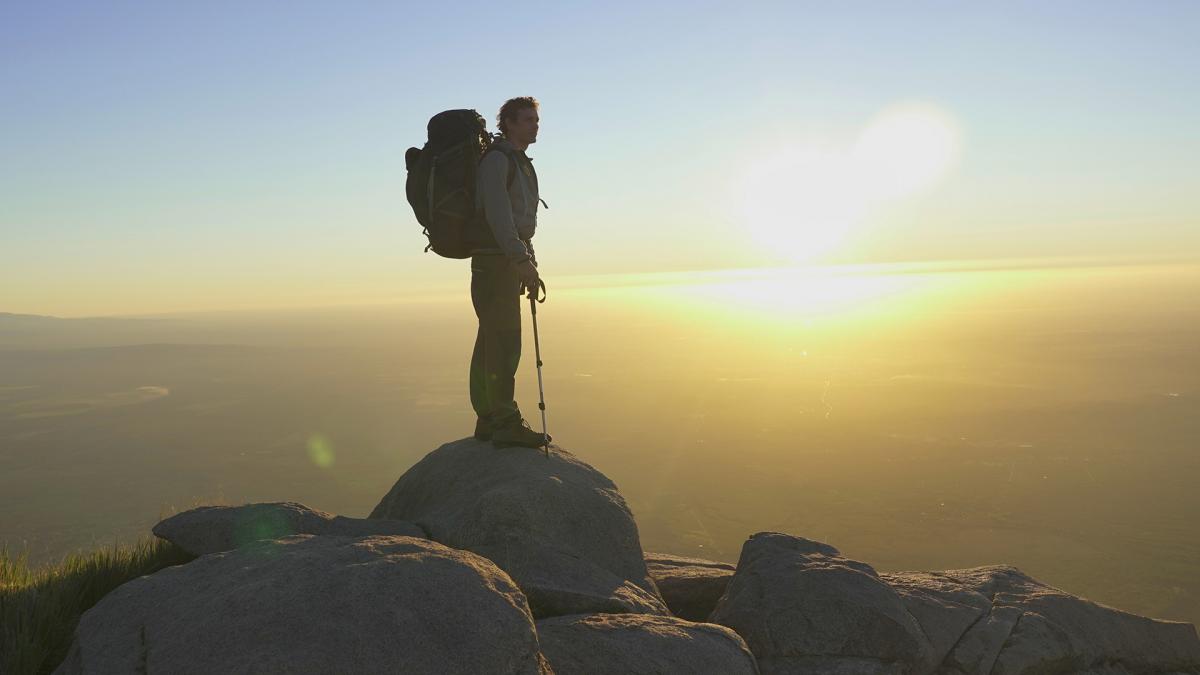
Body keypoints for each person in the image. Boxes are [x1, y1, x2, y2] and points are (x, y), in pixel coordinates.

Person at [467, 96, 551, 448]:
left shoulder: (513, 161)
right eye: (528, 119)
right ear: (510, 123)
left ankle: (488, 418)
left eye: (536, 119)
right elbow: (500, 217)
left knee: (491, 339)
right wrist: (520, 261)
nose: (536, 125)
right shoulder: (499, 161)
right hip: (497, 261)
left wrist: (523, 258)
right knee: (503, 342)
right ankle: (503, 422)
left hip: (499, 259)